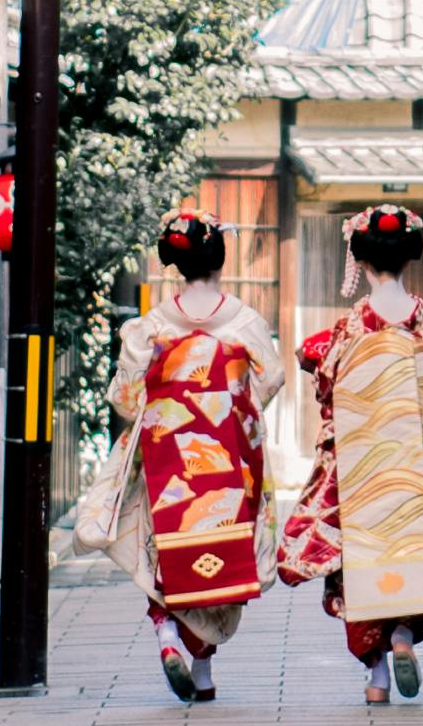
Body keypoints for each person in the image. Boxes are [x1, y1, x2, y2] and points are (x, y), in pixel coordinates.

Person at [79, 207, 280, 700]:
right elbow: (270, 379)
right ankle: (205, 671)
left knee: (164, 548)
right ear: (220, 260)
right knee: (223, 554)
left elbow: (125, 398)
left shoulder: (148, 328)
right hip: (229, 456)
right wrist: (228, 403)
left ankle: (166, 632)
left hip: (167, 457)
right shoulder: (245, 322)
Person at [278, 200, 423, 698]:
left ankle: (377, 676)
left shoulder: (353, 324)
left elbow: (329, 381)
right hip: (418, 456)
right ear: (409, 258)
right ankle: (406, 635)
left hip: (365, 458)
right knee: (420, 542)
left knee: (362, 554)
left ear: (360, 261)